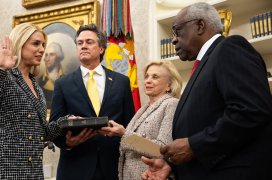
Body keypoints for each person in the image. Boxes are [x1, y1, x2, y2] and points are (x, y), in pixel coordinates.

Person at [142, 2, 272, 180]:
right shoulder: (203, 65)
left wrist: (194, 146)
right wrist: (170, 166)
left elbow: (251, 111)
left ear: (200, 26)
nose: (173, 39)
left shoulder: (230, 48)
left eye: (177, 31)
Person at [0, 22, 65, 179]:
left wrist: (65, 122)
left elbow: (38, 132)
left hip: (31, 173)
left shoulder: (36, 86)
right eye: (35, 43)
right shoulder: (1, 74)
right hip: (1, 172)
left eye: (43, 45)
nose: (41, 49)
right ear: (20, 43)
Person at [49, 24, 135, 180]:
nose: (83, 46)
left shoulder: (121, 82)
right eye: (80, 43)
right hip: (75, 168)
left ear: (101, 48)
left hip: (113, 168)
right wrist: (67, 143)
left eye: (89, 42)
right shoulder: (62, 84)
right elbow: (54, 126)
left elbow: (131, 124)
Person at [99, 60, 182, 180]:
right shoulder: (143, 109)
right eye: (147, 76)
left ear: (169, 85)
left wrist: (124, 133)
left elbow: (163, 150)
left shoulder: (171, 104)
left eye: (155, 77)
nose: (148, 80)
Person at [38, 42, 65, 109]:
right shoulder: (40, 81)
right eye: (46, 55)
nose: (47, 59)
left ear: (58, 57)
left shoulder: (66, 79)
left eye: (51, 54)